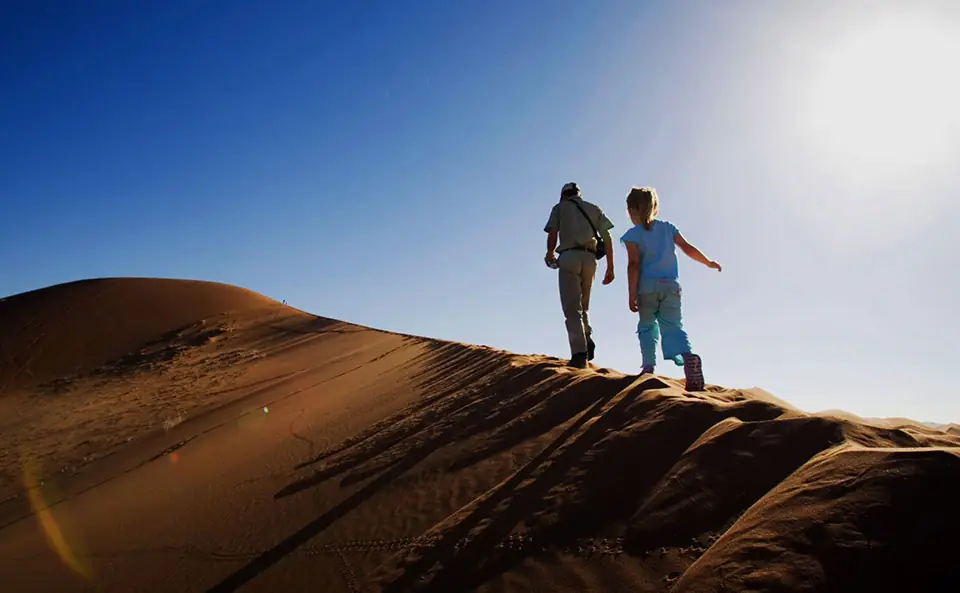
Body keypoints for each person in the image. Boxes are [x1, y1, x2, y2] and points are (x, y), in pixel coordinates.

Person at [619, 186, 721, 391]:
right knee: (674, 327)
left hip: (647, 288)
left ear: (632, 210)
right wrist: (708, 262)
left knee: (647, 326)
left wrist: (631, 294)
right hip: (671, 287)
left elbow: (634, 265)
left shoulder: (632, 235)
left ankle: (648, 368)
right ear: (654, 208)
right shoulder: (668, 228)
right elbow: (688, 248)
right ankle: (688, 357)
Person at [543, 182, 616, 368]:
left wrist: (550, 253)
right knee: (584, 305)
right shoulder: (594, 208)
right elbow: (607, 237)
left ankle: (579, 354)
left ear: (563, 195)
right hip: (590, 259)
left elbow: (552, 233)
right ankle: (587, 336)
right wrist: (610, 267)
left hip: (568, 257)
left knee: (572, 308)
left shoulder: (559, 208)